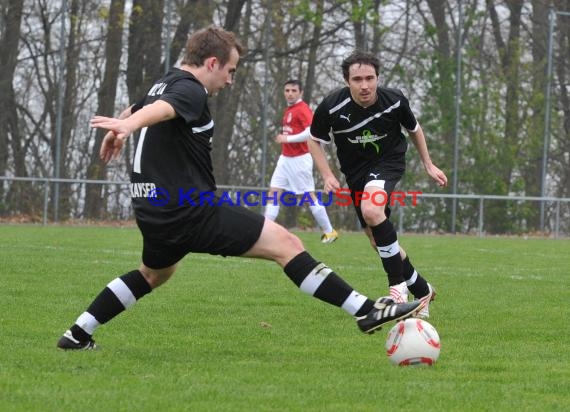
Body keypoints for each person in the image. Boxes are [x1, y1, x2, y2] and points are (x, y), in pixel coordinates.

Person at [56, 27, 426, 350]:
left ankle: (78, 333)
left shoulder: (165, 81)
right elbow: (164, 110)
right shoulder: (190, 90)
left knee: (154, 274)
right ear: (212, 63)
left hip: (152, 212)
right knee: (288, 245)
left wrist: (123, 122)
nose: (230, 80)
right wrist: (129, 127)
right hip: (191, 210)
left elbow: (147, 104)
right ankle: (366, 311)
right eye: (230, 70)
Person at [309, 50, 448, 318]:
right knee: (377, 240)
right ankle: (422, 290)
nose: (365, 85)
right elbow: (313, 139)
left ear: (378, 78)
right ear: (346, 81)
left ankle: (397, 289)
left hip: (388, 162)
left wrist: (429, 165)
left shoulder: (393, 100)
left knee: (373, 212)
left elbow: (414, 129)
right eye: (358, 79)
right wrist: (327, 174)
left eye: (370, 78)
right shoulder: (331, 106)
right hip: (355, 173)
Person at [265, 80, 338, 243]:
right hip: (284, 159)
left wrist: (287, 139)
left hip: (300, 159)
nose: (290, 93)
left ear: (301, 92)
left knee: (308, 197)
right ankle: (266, 230)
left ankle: (330, 231)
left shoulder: (302, 109)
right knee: (273, 193)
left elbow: (310, 132)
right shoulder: (289, 109)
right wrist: (286, 141)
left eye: (293, 90)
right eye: (287, 90)